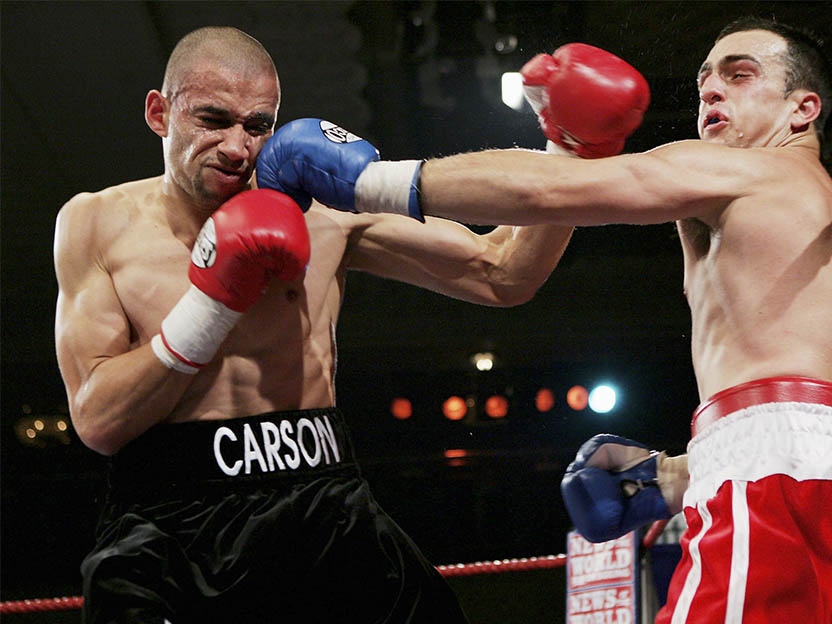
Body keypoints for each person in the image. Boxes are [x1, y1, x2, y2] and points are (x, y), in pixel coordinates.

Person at [258, 18, 832, 624]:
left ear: (802, 108)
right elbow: (819, 424)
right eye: (704, 79)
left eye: (740, 74)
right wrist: (672, 476)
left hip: (779, 496)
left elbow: (544, 192)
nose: (710, 90)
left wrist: (365, 180)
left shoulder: (745, 174)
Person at [53, 27, 650, 623]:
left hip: (322, 508)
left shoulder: (323, 209)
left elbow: (504, 273)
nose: (237, 147)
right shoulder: (95, 223)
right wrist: (211, 305)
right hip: (168, 526)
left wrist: (571, 149)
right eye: (212, 120)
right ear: (160, 113)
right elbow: (98, 421)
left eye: (257, 126)